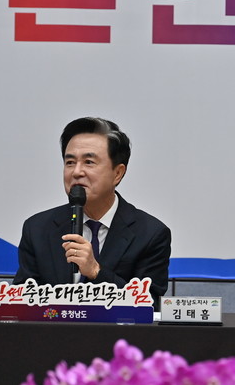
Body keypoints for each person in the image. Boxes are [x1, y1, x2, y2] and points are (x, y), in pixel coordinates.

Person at [13, 117, 171, 302]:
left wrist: (96, 271)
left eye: (88, 162)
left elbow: (149, 303)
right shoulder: (37, 228)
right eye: (70, 162)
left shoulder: (150, 234)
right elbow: (22, 300)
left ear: (118, 173)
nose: (76, 172)